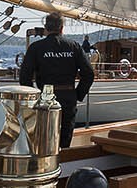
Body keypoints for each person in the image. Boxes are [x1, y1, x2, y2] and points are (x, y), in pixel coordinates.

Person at [18, 12, 94, 147]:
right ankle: (64, 162)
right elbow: (88, 73)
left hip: (44, 100)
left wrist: (35, 97)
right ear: (62, 28)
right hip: (68, 98)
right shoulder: (74, 46)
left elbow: (25, 76)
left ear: (46, 28)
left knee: (43, 139)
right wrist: (77, 94)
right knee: (65, 139)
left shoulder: (36, 48)